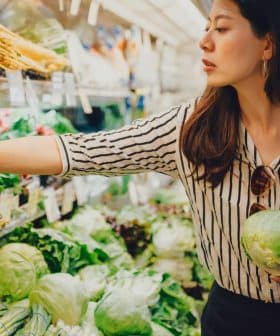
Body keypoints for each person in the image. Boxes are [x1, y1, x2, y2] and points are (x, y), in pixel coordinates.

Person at [1, 0, 280, 334]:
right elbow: (80, 150)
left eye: (221, 28)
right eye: (207, 27)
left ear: (267, 43)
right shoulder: (187, 131)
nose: (204, 41)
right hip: (231, 319)